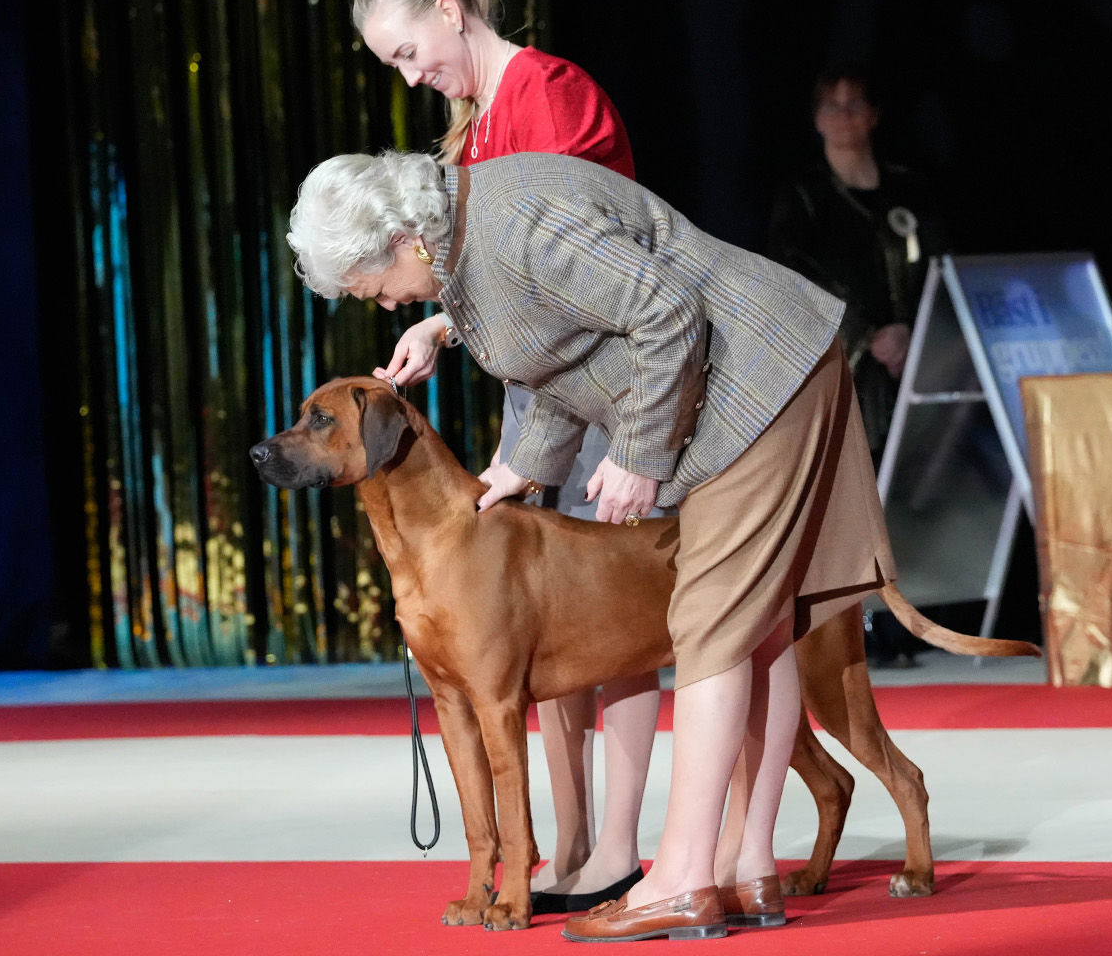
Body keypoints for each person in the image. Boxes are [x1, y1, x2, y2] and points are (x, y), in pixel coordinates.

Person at [287, 149, 895, 941]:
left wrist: (638, 456)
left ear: (402, 239)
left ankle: (680, 881)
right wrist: (519, 468)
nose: (381, 303)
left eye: (370, 286)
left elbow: (667, 307)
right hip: (747, 385)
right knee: (760, 626)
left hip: (762, 376)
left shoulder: (509, 223)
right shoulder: (470, 245)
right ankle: (748, 871)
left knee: (711, 621)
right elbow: (561, 362)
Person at [352, 0, 658, 913]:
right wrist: (441, 324)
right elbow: (502, 282)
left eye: (410, 52)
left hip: (612, 391)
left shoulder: (551, 93)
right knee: (547, 637)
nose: (410, 77)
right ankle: (569, 845)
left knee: (620, 624)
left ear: (451, 13)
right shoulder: (477, 129)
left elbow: (573, 275)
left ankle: (618, 846)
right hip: (547, 394)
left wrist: (531, 447)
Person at [767, 65, 942, 669]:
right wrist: (870, 335)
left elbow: (937, 269)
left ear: (873, 115)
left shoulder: (908, 189)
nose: (843, 116)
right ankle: (860, 618)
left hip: (920, 366)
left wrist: (916, 331)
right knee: (851, 492)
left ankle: (920, 611)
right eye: (831, 105)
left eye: (854, 104)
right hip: (848, 367)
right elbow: (796, 280)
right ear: (817, 119)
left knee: (911, 487)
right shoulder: (804, 197)